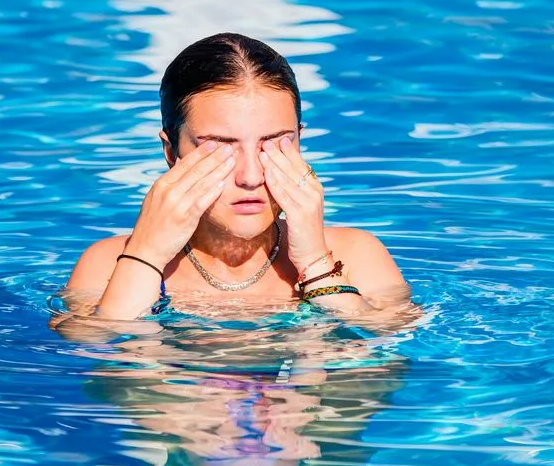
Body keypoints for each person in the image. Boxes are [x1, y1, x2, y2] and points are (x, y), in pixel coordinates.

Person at [63, 32, 413, 323]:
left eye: (275, 145)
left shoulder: (355, 256)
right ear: (171, 153)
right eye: (221, 148)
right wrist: (147, 255)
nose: (250, 176)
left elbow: (384, 365)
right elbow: (98, 354)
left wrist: (316, 266)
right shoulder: (109, 265)